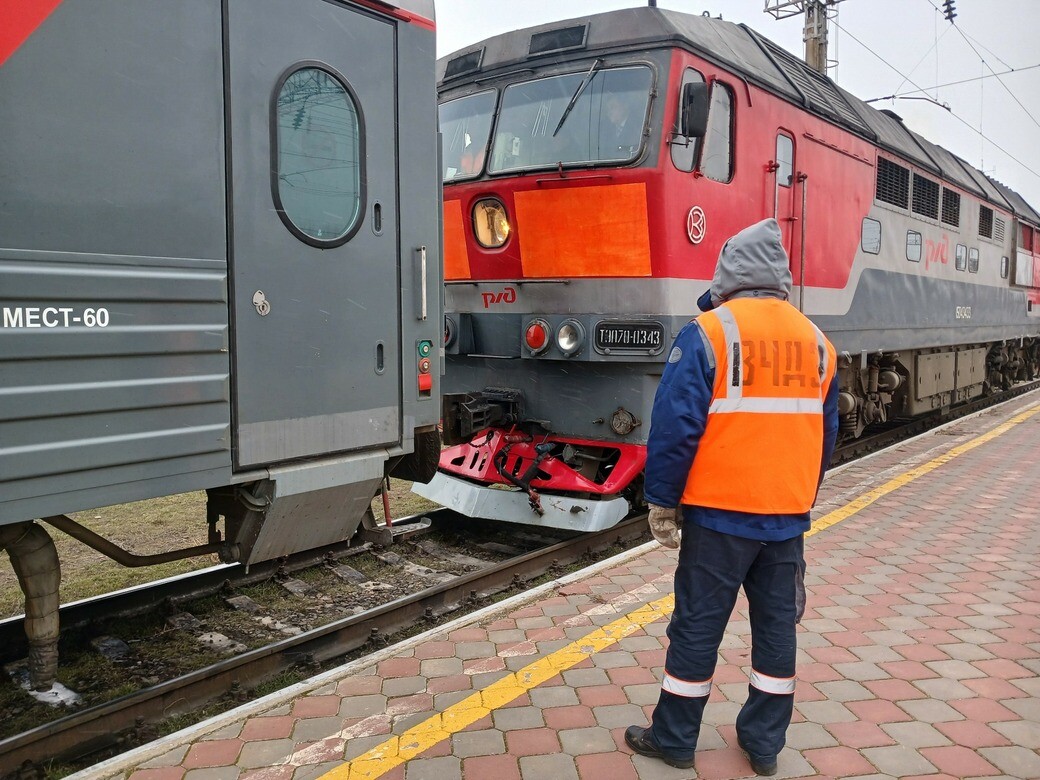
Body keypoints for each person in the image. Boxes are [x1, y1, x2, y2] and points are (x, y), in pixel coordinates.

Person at [625, 218, 839, 776]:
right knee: (776, 629)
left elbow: (676, 427)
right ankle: (764, 745)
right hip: (786, 519)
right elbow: (826, 437)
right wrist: (801, 494)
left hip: (719, 517)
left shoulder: (710, 332)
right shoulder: (818, 343)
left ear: (729, 274)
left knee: (697, 625)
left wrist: (662, 501)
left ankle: (675, 739)